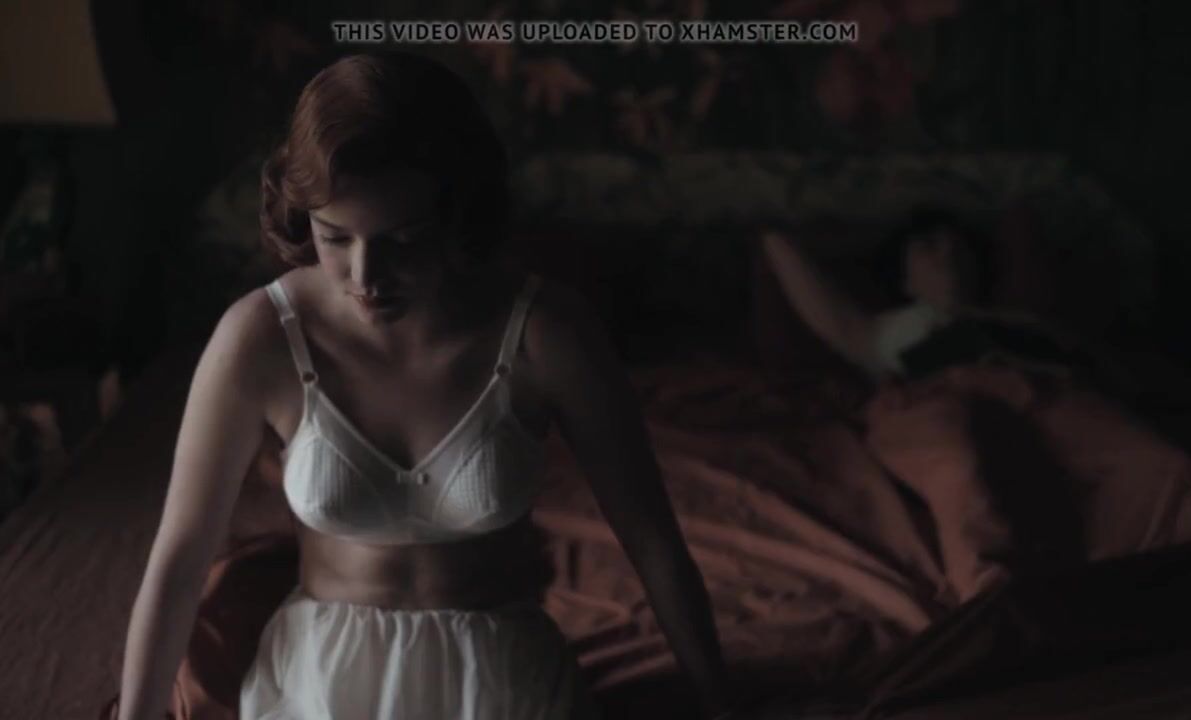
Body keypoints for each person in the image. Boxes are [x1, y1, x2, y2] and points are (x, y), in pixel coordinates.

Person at [117, 51, 746, 720]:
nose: (366, 276)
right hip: (325, 682)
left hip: (499, 680)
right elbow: (181, 558)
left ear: (457, 213)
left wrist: (721, 708)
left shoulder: (545, 333)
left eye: (403, 239)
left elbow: (651, 539)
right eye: (335, 238)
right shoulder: (260, 337)